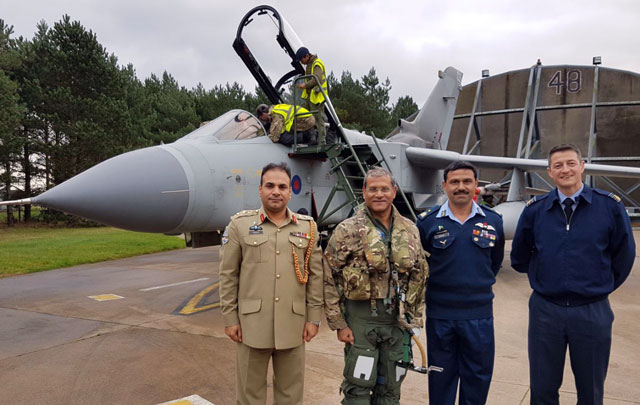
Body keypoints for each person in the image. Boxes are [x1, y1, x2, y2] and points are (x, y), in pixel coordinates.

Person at [511, 144, 635, 405]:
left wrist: (600, 285)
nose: (565, 169)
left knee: (590, 390)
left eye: (570, 163)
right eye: (558, 165)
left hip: (592, 310)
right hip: (546, 310)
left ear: (582, 166)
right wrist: (546, 277)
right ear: (549, 172)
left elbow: (624, 256)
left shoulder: (609, 207)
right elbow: (520, 256)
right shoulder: (536, 210)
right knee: (542, 388)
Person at [219, 162, 324, 404]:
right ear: (260, 190)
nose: (275, 191)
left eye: (282, 186)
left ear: (290, 192)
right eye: (270, 185)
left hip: (293, 324)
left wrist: (314, 317)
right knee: (249, 395)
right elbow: (228, 274)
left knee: (290, 395)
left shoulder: (307, 227)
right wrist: (229, 318)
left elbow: (316, 275)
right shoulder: (240, 225)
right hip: (251, 325)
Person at [324, 167, 428, 404]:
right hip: (360, 321)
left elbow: (420, 275)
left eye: (384, 189)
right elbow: (329, 277)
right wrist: (338, 323)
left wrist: (415, 320)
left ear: (393, 192)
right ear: (364, 192)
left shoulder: (410, 229)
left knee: (391, 387)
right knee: (358, 385)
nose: (378, 194)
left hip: (397, 322)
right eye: (373, 189)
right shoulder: (347, 230)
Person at [416, 161, 505, 405]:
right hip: (441, 316)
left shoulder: (493, 221)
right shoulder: (427, 223)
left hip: (479, 316)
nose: (461, 187)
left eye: (467, 181)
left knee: (477, 378)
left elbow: (494, 263)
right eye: (454, 182)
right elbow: (420, 266)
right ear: (444, 185)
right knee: (441, 378)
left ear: (476, 185)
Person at [295, 47, 328, 145]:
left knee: (318, 119)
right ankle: (309, 139)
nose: (301, 62)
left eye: (302, 59)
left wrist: (305, 85)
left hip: (317, 97)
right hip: (310, 97)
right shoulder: (309, 65)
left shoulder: (317, 64)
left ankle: (321, 142)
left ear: (307, 56)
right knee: (302, 114)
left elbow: (316, 79)